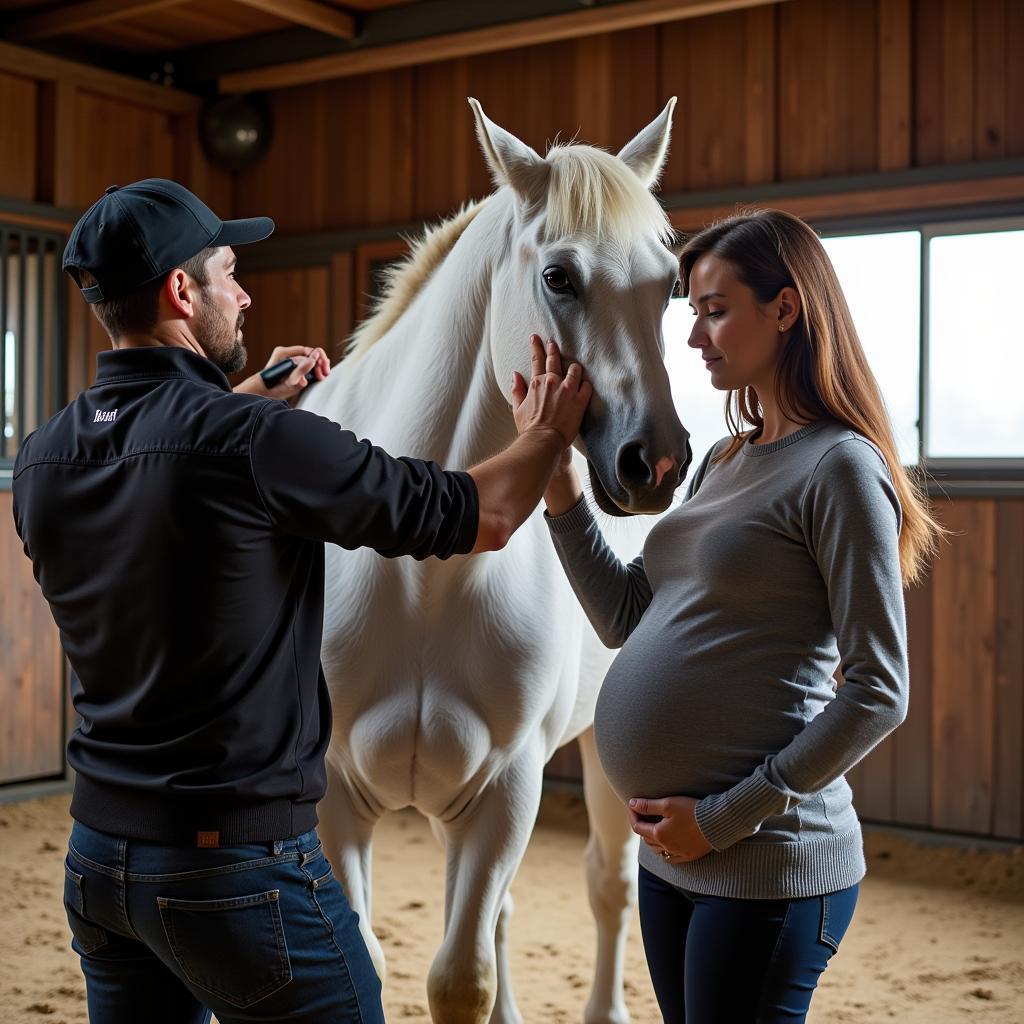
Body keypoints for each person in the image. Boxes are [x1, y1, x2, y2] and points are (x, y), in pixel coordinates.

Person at [11, 178, 591, 1024]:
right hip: (237, 871)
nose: (243, 294)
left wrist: (250, 402)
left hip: (99, 864)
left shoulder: (45, 457)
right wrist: (547, 429)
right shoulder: (258, 445)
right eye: (229, 272)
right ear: (182, 291)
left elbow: (161, 466)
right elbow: (487, 516)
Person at [528, 209, 944, 1023]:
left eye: (714, 310)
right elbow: (626, 616)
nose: (693, 337)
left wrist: (720, 820)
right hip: (675, 860)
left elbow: (879, 691)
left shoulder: (840, 469)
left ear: (785, 309)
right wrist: (559, 475)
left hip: (766, 866)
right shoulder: (724, 460)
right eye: (693, 311)